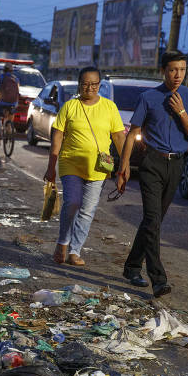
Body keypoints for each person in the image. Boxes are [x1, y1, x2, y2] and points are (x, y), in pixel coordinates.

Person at [117, 50, 188, 297]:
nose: (178, 75)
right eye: (172, 70)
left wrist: (181, 112)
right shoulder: (148, 97)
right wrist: (123, 167)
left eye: (182, 70)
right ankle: (158, 279)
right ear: (163, 71)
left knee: (152, 221)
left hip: (176, 165)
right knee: (153, 220)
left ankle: (132, 266)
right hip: (152, 163)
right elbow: (132, 134)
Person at [43, 66, 125, 266]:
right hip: (71, 163)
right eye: (85, 84)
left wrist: (124, 165)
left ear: (100, 85)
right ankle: (62, 242)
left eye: (94, 84)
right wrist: (51, 165)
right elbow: (58, 137)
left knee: (87, 210)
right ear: (79, 85)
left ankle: (75, 251)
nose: (90, 88)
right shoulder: (69, 106)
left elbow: (118, 136)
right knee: (72, 203)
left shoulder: (109, 107)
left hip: (98, 167)